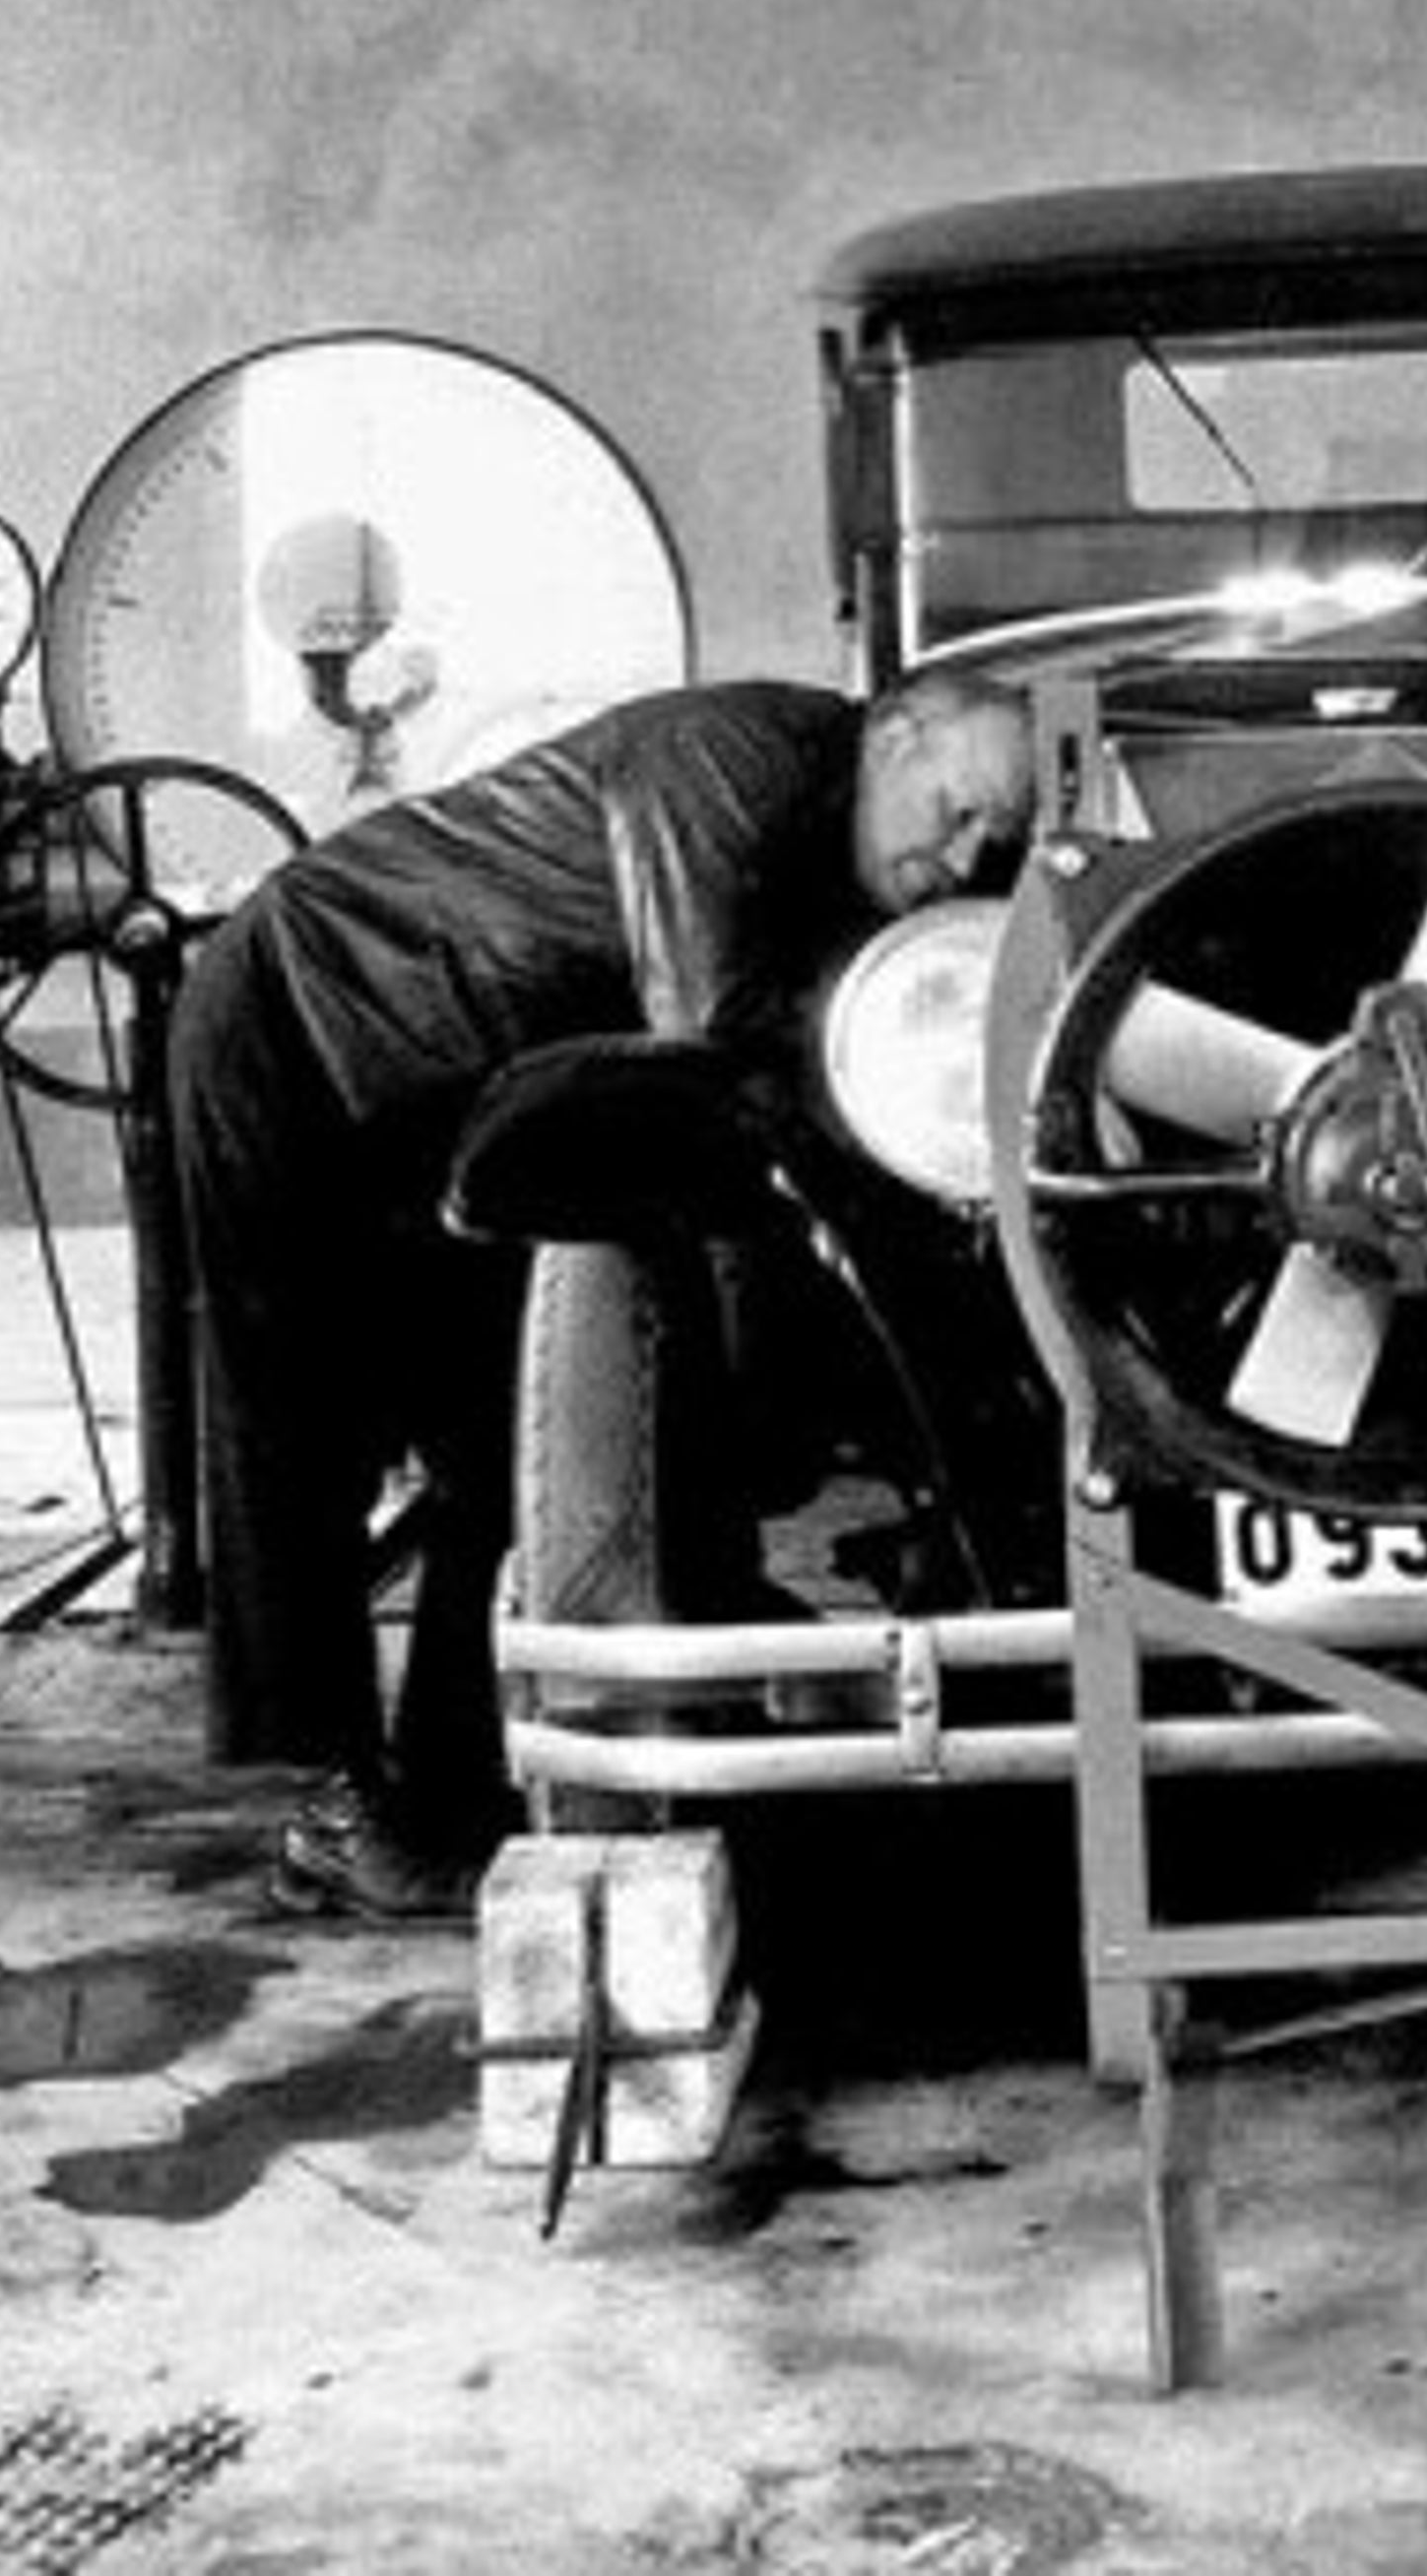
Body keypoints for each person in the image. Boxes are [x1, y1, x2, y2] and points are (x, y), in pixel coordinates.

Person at [170, 669, 1037, 1916]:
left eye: (992, 841)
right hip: (299, 1019)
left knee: (495, 1452)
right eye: (957, 811)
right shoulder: (732, 761)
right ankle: (332, 1800)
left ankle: (444, 1798)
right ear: (895, 736)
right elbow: (711, 1056)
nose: (963, 859)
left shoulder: (839, 857)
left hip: (455, 1093)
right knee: (289, 1426)